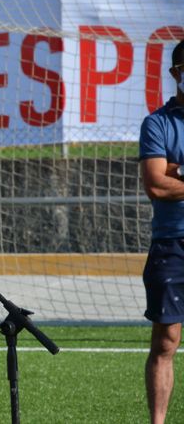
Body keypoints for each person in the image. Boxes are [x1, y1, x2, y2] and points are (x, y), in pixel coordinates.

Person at [140, 39, 184, 424]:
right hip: (172, 243)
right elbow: (156, 184)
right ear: (175, 73)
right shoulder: (157, 123)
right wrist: (167, 175)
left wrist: (178, 172)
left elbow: (170, 177)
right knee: (166, 340)